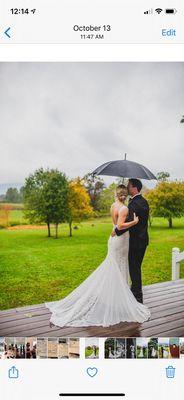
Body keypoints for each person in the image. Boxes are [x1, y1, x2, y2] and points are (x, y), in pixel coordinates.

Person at [46, 184, 150, 327]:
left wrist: (119, 228)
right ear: (124, 195)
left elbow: (115, 226)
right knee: (119, 268)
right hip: (121, 241)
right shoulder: (125, 208)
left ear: (116, 194)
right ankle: (119, 301)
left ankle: (114, 300)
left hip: (114, 240)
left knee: (114, 268)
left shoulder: (113, 206)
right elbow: (120, 226)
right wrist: (134, 221)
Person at [113, 179, 149, 303]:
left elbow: (129, 222)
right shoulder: (143, 201)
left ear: (134, 188)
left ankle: (137, 299)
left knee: (134, 269)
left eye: (128, 186)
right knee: (136, 268)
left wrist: (116, 231)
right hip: (143, 240)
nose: (127, 188)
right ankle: (135, 295)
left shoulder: (134, 204)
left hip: (136, 242)